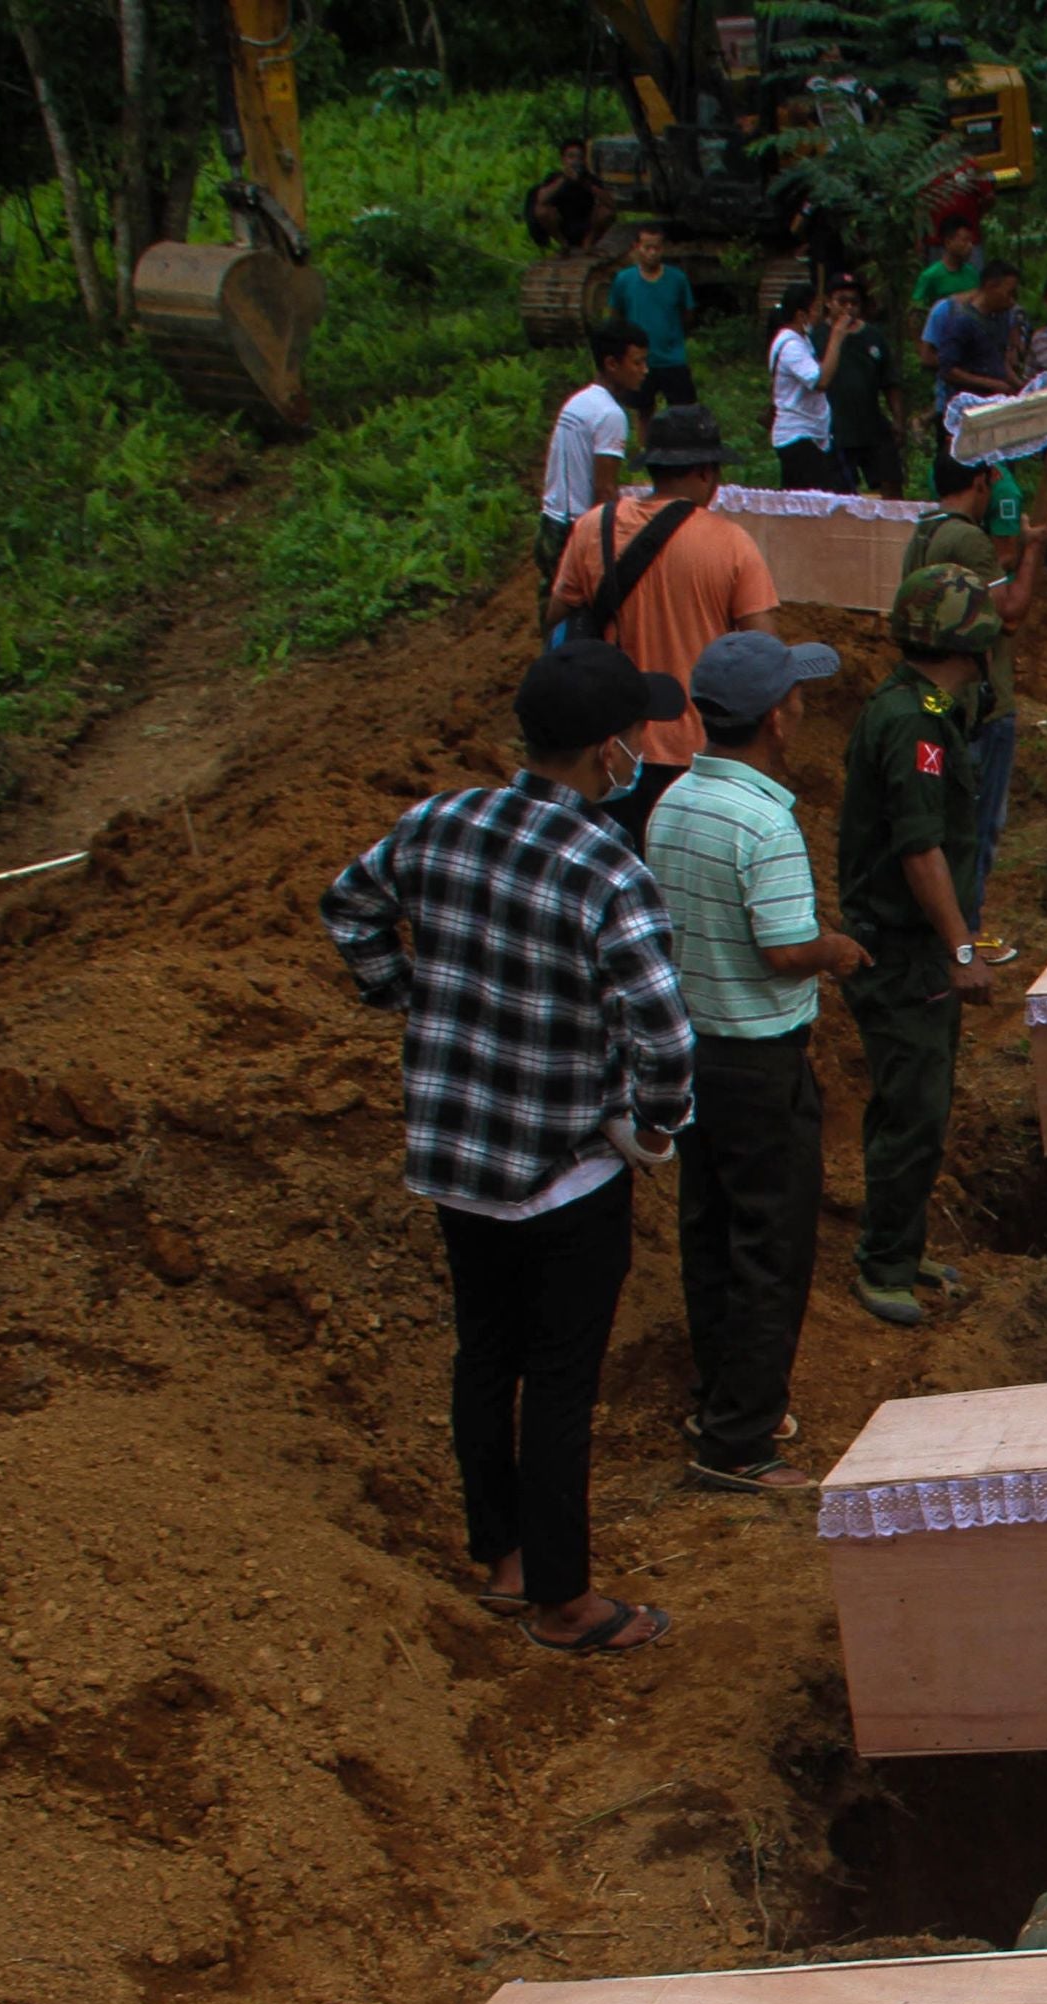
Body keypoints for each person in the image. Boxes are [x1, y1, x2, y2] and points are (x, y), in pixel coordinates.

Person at [317, 642, 693, 1655]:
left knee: (485, 1354)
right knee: (563, 1379)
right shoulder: (606, 866)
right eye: (631, 740)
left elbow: (348, 907)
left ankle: (504, 1560)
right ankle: (565, 1602)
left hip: (456, 1158)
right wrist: (659, 1121)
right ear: (608, 751)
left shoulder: (438, 822)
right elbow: (662, 1030)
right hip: (564, 1170)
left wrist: (411, 1000)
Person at [643, 632, 865, 1494]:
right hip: (760, 1057)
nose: (804, 709)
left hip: (693, 1051)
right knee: (771, 1244)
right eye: (797, 698)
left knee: (710, 1230)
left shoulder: (672, 804)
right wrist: (837, 950)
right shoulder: (764, 820)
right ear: (777, 716)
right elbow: (782, 950)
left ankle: (720, 1397)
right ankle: (740, 1443)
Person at [840, 567, 1004, 1329]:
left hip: (911, 948)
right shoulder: (913, 724)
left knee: (918, 1103)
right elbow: (919, 848)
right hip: (903, 953)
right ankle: (883, 1265)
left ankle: (898, 1249)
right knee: (913, 1106)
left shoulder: (927, 708)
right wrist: (961, 948)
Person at [545, 403, 781, 815]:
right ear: (706, 472)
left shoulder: (592, 528)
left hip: (610, 749)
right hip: (697, 751)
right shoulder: (732, 544)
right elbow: (765, 655)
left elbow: (554, 620)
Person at [899, 453, 1029, 954]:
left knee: (955, 821)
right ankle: (966, 931)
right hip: (980, 703)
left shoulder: (924, 532)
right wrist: (1034, 550)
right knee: (976, 826)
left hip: (945, 698)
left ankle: (955, 927)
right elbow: (1010, 613)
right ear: (980, 482)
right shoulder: (968, 538)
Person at [538, 324, 648, 635]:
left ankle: (548, 669)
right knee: (584, 619)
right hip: (576, 525)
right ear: (612, 364)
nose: (644, 370)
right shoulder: (611, 415)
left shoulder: (578, 402)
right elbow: (604, 487)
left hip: (550, 519)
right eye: (637, 362)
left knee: (552, 610)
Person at [922, 265, 1027, 446]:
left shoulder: (1002, 319)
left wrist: (1019, 386)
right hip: (966, 412)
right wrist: (991, 383)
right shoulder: (961, 322)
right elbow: (948, 370)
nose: (1011, 300)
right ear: (991, 286)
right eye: (1009, 292)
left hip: (996, 407)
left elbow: (999, 358)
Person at [764, 281, 854, 492]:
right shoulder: (792, 346)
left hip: (810, 434)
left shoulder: (801, 340)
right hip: (798, 434)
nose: (819, 314)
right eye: (815, 309)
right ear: (800, 315)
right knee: (813, 501)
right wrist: (837, 337)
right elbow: (820, 381)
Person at [821, 274, 904, 497]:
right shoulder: (817, 336)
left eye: (854, 302)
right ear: (828, 302)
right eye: (842, 301)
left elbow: (890, 381)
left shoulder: (873, 336)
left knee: (891, 485)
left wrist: (897, 418)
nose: (848, 308)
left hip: (872, 426)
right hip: (835, 429)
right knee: (841, 495)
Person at [607, 226, 698, 407]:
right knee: (643, 410)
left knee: (683, 410)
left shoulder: (677, 279)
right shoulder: (624, 280)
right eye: (647, 248)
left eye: (657, 248)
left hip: (672, 358)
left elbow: (687, 314)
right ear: (637, 247)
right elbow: (616, 316)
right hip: (639, 361)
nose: (652, 253)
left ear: (663, 249)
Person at [524, 138, 606, 254]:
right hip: (563, 225)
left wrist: (587, 184)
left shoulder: (590, 179)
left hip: (586, 223)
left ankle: (588, 243)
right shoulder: (554, 177)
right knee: (541, 210)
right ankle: (564, 245)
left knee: (605, 211)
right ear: (563, 159)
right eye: (571, 157)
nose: (575, 161)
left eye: (579, 157)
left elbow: (610, 204)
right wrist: (564, 180)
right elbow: (541, 199)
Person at [911, 217, 989, 327]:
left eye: (971, 241)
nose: (970, 246)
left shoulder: (972, 272)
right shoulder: (930, 275)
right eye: (965, 241)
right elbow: (916, 311)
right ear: (948, 242)